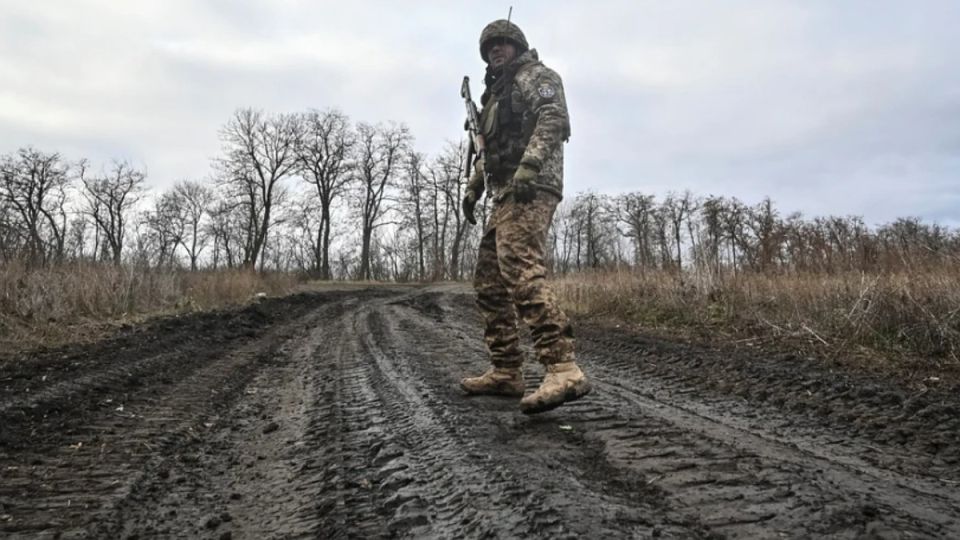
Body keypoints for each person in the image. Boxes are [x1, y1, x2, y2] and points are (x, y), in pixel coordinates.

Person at [460, 19, 590, 414]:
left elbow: (553, 117)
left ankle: (563, 367)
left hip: (532, 187)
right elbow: (488, 153)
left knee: (520, 269)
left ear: (517, 46)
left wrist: (530, 165)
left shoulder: (535, 75)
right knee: (488, 282)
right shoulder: (494, 97)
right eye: (489, 47)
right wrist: (474, 188)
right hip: (504, 194)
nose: (496, 50)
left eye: (502, 43)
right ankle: (506, 370)